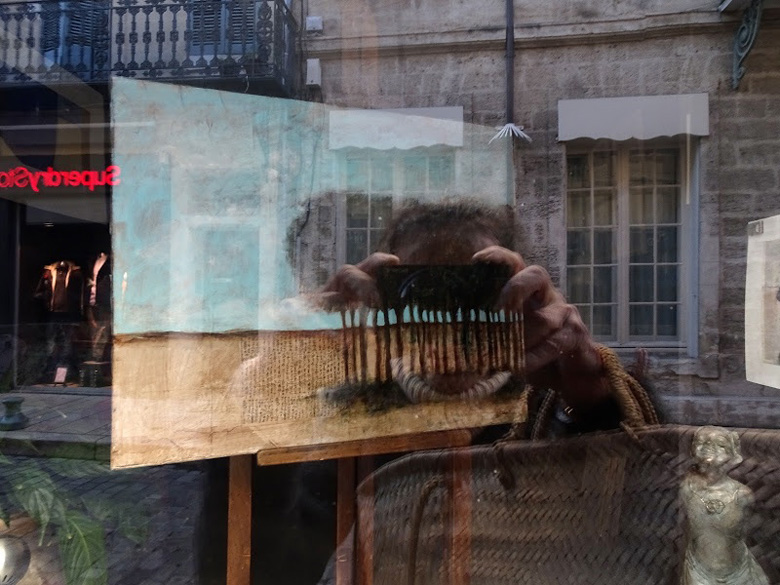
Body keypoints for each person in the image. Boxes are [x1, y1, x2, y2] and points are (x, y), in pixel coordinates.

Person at [315, 199, 633, 431]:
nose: (449, 317)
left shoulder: (542, 394)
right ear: (384, 298)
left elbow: (639, 467)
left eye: (472, 291)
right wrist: (306, 340)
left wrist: (592, 391)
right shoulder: (354, 402)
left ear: (518, 291)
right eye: (423, 291)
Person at [680, 426, 768, 585]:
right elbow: (684, 529)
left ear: (733, 453)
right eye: (700, 442)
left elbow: (749, 533)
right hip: (699, 571)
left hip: (739, 573)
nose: (708, 446)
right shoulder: (687, 488)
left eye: (719, 444)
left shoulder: (742, 495)